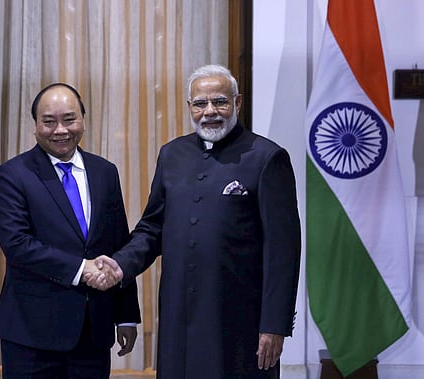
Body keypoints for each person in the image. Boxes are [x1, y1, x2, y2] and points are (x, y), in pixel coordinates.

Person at [87, 65, 301, 378]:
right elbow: (152, 229)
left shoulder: (267, 158)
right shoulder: (172, 154)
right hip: (179, 317)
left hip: (239, 322)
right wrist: (121, 265)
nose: (210, 111)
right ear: (190, 107)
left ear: (237, 103)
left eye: (220, 102)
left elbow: (283, 250)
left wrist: (274, 325)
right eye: (200, 103)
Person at [0, 82, 140, 379]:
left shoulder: (105, 172)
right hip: (32, 335)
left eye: (69, 119)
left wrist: (126, 316)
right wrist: (82, 269)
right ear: (35, 126)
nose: (60, 130)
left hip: (93, 331)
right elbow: (18, 245)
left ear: (83, 120)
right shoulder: (13, 175)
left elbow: (118, 243)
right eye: (49, 121)